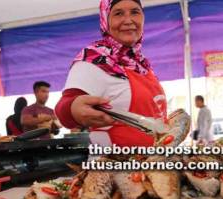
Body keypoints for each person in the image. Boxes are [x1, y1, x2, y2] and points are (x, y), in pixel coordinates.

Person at [55, 0, 167, 147]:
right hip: (114, 166)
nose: (128, 20)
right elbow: (64, 109)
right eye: (118, 13)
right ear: (105, 20)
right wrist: (73, 109)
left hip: (154, 164)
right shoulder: (93, 59)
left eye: (135, 12)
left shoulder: (142, 64)